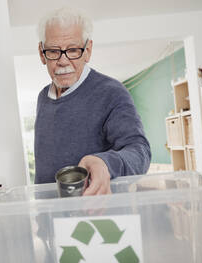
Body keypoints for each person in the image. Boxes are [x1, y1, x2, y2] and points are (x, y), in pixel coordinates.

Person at [34, 7, 151, 195]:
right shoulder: (42, 98)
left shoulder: (112, 93)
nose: (63, 61)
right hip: (49, 220)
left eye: (73, 50)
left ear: (87, 51)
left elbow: (140, 152)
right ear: (42, 53)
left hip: (97, 220)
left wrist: (105, 163)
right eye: (54, 51)